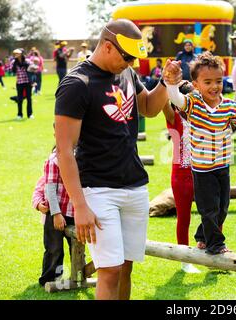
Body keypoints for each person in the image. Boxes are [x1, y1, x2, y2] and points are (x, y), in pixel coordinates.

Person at [54, 18, 174, 300]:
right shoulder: (76, 84)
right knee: (109, 270)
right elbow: (64, 151)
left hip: (134, 185)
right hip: (98, 189)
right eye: (127, 56)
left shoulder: (127, 74)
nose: (131, 62)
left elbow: (147, 107)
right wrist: (79, 205)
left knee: (127, 267)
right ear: (108, 47)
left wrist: (166, 83)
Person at [165, 51, 236, 255]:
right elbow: (176, 99)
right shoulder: (193, 103)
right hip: (202, 169)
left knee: (222, 208)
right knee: (209, 209)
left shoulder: (230, 106)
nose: (214, 86)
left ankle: (202, 236)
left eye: (218, 81)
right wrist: (171, 83)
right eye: (207, 82)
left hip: (222, 166)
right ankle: (216, 245)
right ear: (196, 85)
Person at [163, 81, 200, 273]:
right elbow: (163, 102)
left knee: (214, 211)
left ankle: (205, 244)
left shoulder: (200, 116)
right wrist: (167, 83)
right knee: (183, 218)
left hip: (203, 173)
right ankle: (185, 260)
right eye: (192, 97)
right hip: (181, 175)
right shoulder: (174, 116)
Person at [32, 145, 75, 287]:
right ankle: (51, 278)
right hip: (54, 213)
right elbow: (39, 191)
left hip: (73, 212)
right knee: (54, 249)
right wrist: (39, 204)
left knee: (76, 246)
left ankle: (79, 273)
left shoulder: (81, 158)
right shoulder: (52, 163)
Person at [11, 49, 33, 120]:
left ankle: (30, 114)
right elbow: (13, 71)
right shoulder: (14, 62)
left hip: (27, 82)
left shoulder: (27, 61)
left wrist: (27, 66)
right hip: (19, 82)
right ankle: (19, 114)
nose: (16, 55)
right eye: (15, 54)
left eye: (18, 53)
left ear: (21, 54)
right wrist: (14, 64)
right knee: (20, 99)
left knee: (29, 99)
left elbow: (32, 69)